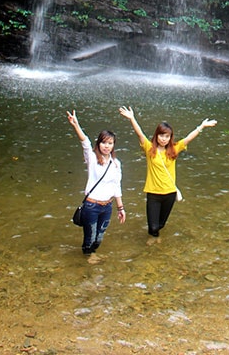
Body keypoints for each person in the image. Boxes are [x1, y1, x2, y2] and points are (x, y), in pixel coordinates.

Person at [118, 106, 216, 240]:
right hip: (153, 193)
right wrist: (132, 118)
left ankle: (156, 239)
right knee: (153, 227)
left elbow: (188, 139)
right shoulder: (149, 149)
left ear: (170, 138)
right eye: (161, 135)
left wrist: (202, 126)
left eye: (167, 136)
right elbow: (140, 134)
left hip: (169, 193)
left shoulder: (174, 149)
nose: (163, 139)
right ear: (156, 135)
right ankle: (154, 240)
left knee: (161, 224)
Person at [66, 109, 126, 259]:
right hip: (92, 206)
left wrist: (121, 208)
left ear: (113, 145)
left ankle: (91, 255)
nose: (106, 146)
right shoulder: (92, 159)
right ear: (99, 144)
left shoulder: (116, 163)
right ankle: (88, 257)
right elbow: (85, 142)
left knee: (99, 238)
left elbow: (116, 187)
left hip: (107, 206)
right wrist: (76, 125)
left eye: (110, 143)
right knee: (90, 237)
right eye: (104, 142)